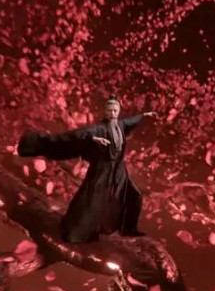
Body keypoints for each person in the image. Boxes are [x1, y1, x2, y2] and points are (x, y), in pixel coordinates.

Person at [17, 95, 158, 243]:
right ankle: (74, 232)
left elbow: (131, 121)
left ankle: (128, 229)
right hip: (102, 168)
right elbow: (80, 135)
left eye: (115, 110)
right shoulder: (99, 128)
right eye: (109, 110)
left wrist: (144, 115)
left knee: (134, 195)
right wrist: (93, 139)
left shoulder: (121, 125)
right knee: (91, 199)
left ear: (118, 111)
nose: (112, 113)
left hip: (118, 168)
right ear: (105, 111)